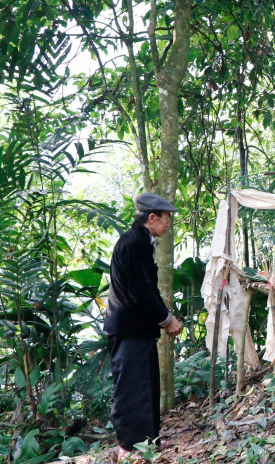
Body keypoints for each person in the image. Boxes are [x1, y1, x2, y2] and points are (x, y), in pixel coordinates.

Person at [104, 192, 183, 457]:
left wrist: (163, 317)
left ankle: (148, 444)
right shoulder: (133, 243)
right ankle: (129, 448)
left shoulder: (141, 241)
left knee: (146, 388)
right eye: (166, 218)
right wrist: (167, 320)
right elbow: (141, 291)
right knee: (131, 391)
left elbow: (147, 289)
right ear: (151, 218)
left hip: (139, 330)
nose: (168, 223)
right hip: (128, 330)